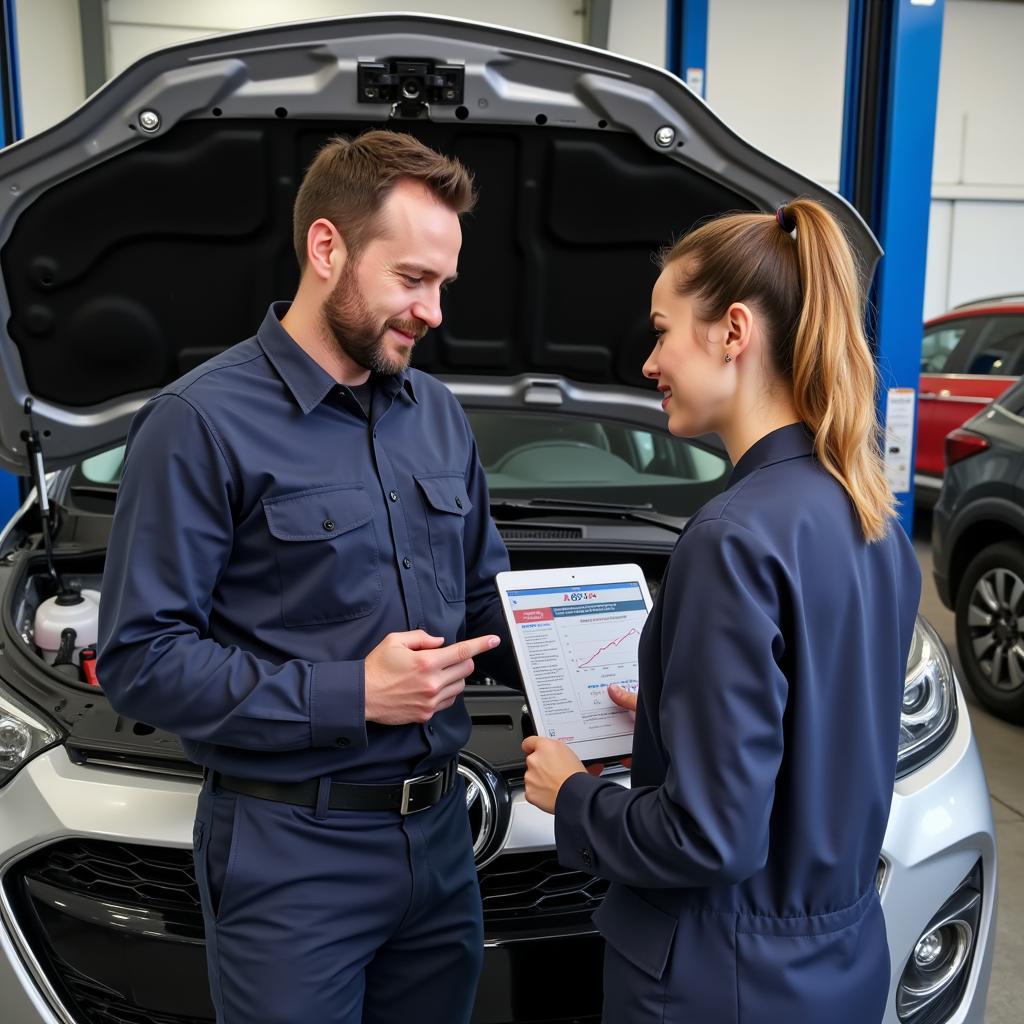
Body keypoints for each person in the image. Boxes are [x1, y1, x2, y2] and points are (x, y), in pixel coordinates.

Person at [98, 130, 517, 1024]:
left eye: (443, 282)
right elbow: (141, 657)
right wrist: (351, 692)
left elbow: (490, 602)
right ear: (327, 249)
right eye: (412, 279)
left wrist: (619, 662)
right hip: (291, 853)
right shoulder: (199, 424)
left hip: (442, 842)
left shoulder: (438, 416)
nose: (435, 311)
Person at [521, 199, 921, 1023]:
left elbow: (710, 838)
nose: (648, 362)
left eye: (663, 330)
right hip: (836, 964)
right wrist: (677, 718)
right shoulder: (868, 515)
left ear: (732, 332)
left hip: (721, 975)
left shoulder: (730, 538)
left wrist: (572, 796)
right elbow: (823, 730)